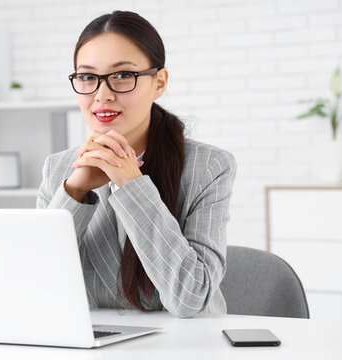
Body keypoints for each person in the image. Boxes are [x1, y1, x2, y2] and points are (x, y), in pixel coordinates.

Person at [36, 10, 236, 318]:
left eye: (122, 76)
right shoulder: (59, 169)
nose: (102, 95)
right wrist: (75, 191)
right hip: (96, 346)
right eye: (88, 77)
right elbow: (36, 284)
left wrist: (132, 185)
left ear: (159, 82)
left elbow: (191, 298)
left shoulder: (208, 167)